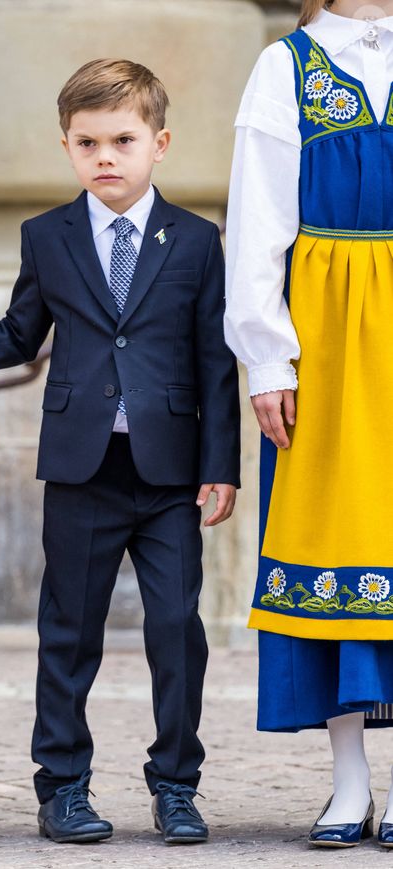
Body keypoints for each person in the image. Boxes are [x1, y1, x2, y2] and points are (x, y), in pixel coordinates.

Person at [0, 58, 241, 846]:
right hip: (82, 470)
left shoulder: (197, 241)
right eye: (87, 143)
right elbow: (17, 335)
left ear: (159, 143)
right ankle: (64, 787)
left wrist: (222, 465)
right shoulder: (47, 236)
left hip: (170, 473)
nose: (105, 156)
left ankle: (176, 784)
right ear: (67, 146)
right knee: (69, 632)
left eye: (122, 140)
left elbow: (216, 361)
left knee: (176, 629)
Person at [226, 0, 393, 850]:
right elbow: (257, 221)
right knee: (330, 539)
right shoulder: (285, 66)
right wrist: (267, 358)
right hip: (326, 335)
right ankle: (349, 779)